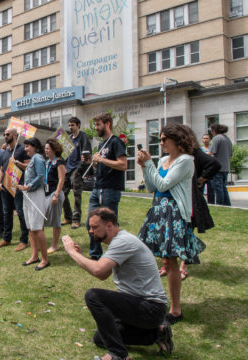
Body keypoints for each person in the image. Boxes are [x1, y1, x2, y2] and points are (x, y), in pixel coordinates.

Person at [62, 207, 173, 360]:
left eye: (95, 227)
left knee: (93, 296)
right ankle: (157, 333)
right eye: (90, 227)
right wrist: (80, 256)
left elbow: (99, 271)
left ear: (109, 225)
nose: (90, 231)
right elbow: (104, 274)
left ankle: (118, 355)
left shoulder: (123, 241)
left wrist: (71, 252)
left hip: (151, 307)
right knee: (100, 338)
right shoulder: (118, 241)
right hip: (139, 305)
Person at [137, 123, 206, 325]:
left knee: (171, 260)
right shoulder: (163, 160)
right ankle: (155, 300)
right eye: (160, 139)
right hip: (158, 209)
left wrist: (149, 164)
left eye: (164, 139)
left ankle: (175, 310)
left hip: (173, 213)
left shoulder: (186, 161)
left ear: (178, 140)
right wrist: (144, 167)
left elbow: (164, 184)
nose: (161, 142)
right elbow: (152, 186)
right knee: (156, 257)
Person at [177, 127, 221, 280]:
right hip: (176, 197)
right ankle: (171, 262)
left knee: (187, 230)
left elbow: (214, 164)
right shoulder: (173, 153)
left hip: (191, 197)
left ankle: (184, 265)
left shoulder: (194, 153)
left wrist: (201, 179)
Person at [87, 113, 127, 260]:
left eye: (98, 125)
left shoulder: (116, 142)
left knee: (110, 225)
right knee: (90, 224)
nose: (96, 128)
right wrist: (96, 163)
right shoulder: (101, 144)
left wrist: (102, 160)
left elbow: (123, 164)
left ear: (107, 124)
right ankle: (96, 255)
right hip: (98, 187)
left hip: (110, 189)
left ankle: (116, 255)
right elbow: (104, 164)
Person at [17, 138, 49, 270]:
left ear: (34, 146)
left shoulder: (38, 158)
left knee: (37, 228)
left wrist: (28, 186)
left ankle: (45, 259)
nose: (25, 149)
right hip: (28, 195)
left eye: (27, 146)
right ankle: (34, 255)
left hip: (35, 194)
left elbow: (41, 176)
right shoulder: (33, 159)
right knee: (30, 228)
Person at [0, 128, 31, 251]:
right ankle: (7, 238)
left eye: (7, 134)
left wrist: (16, 162)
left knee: (20, 212)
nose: (5, 136)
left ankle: (24, 240)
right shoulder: (4, 152)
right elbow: (1, 169)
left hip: (18, 186)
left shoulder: (22, 149)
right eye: (4, 134)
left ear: (15, 135)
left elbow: (29, 166)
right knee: (6, 213)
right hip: (5, 186)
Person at [62, 117, 91, 229]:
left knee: (76, 194)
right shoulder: (68, 138)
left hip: (77, 169)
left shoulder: (83, 137)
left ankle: (76, 219)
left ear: (78, 125)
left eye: (72, 125)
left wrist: (80, 168)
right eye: (69, 125)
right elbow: (64, 154)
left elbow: (86, 154)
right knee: (62, 194)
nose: (70, 127)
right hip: (67, 169)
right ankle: (68, 217)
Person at [43, 139, 66, 255]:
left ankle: (55, 245)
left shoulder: (59, 162)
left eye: (47, 148)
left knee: (56, 220)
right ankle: (40, 244)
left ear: (54, 149)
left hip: (55, 194)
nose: (45, 150)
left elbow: (61, 179)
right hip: (46, 194)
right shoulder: (47, 163)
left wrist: (56, 195)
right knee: (41, 219)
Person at [208, 123, 233, 206]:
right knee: (223, 187)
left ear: (214, 130)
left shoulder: (216, 138)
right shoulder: (227, 139)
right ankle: (227, 204)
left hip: (217, 167)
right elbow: (230, 154)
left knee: (218, 188)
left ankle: (220, 204)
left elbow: (211, 152)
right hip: (226, 167)